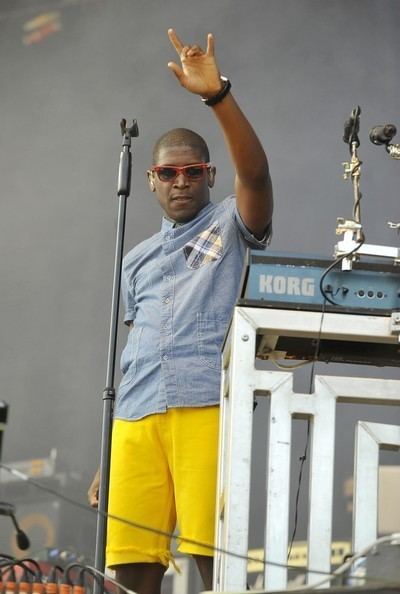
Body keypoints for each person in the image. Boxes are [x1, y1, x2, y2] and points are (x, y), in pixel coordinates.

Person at [88, 28, 273, 594]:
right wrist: (107, 449)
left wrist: (217, 98)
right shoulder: (136, 259)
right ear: (149, 181)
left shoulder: (228, 223)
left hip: (203, 403)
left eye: (193, 171)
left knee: (212, 556)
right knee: (132, 566)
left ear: (209, 175)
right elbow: (134, 348)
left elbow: (257, 177)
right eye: (168, 173)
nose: (181, 181)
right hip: (136, 418)